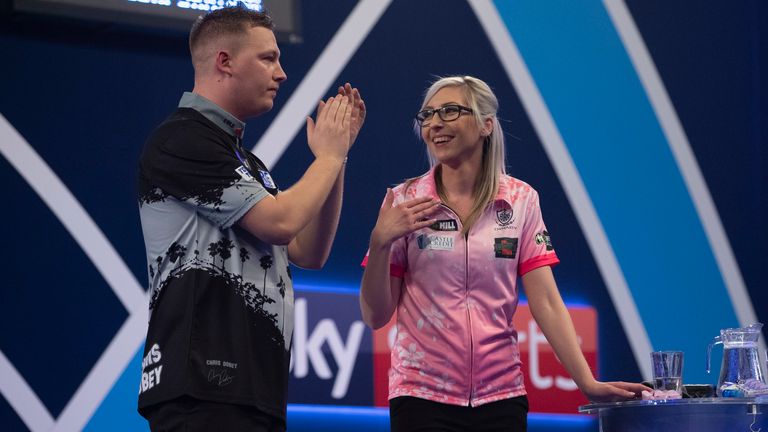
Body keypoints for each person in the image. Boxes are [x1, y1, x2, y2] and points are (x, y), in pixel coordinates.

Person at [359, 76, 646, 432]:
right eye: (428, 115)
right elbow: (375, 315)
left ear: (486, 124)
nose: (435, 124)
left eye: (450, 111)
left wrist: (586, 382)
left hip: (501, 397)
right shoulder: (404, 200)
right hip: (420, 397)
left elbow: (547, 303)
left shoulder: (521, 199)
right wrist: (379, 242)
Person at [136, 6, 365, 431]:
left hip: (254, 389)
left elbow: (306, 250)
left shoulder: (247, 160)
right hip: (200, 387)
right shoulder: (182, 138)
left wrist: (338, 160)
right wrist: (328, 156)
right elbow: (281, 222)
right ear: (224, 61)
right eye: (268, 58)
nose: (281, 74)